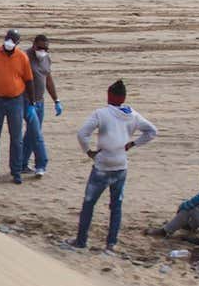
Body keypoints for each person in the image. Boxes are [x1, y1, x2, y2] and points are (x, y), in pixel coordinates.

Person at [64, 80, 159, 253]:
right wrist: (133, 144)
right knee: (116, 206)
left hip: (103, 164)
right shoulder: (133, 115)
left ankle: (81, 240)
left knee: (89, 203)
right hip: (121, 165)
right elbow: (152, 131)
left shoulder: (102, 113)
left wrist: (88, 151)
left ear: (110, 96)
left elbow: (82, 134)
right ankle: (111, 243)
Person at [0, 28, 33, 185]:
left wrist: (32, 102)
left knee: (16, 138)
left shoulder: (22, 57)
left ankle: (16, 171)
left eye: (13, 40)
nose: (9, 42)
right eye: (8, 39)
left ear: (17, 43)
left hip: (16, 100)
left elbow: (28, 80)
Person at [21, 34, 62, 178]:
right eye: (40, 48)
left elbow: (48, 79)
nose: (42, 51)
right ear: (33, 45)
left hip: (40, 101)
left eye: (45, 49)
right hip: (26, 101)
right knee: (36, 133)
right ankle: (41, 164)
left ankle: (22, 163)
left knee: (31, 134)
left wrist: (56, 100)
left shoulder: (46, 58)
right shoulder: (24, 57)